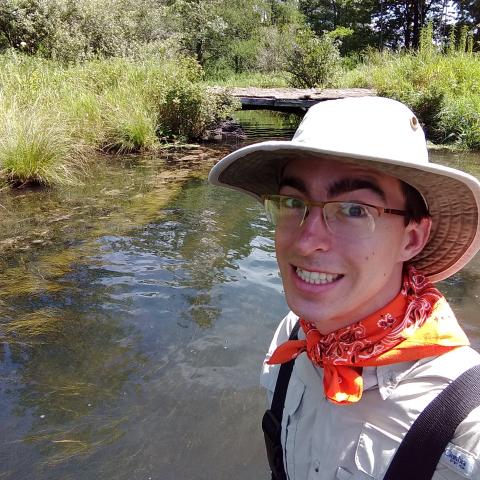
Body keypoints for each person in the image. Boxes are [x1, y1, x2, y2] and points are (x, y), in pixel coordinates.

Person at [208, 97, 480, 480]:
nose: (306, 242)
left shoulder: (464, 419)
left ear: (412, 237)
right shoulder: (293, 335)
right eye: (292, 201)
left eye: (354, 210)